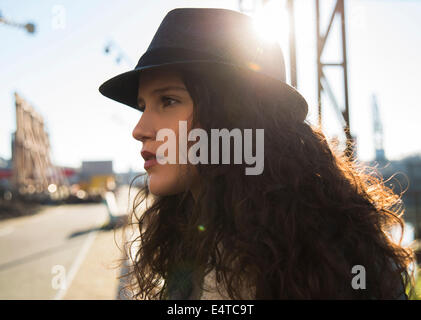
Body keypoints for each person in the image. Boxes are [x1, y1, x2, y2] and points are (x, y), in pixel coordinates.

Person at [99, 8, 415, 300]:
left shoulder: (327, 261)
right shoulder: (190, 239)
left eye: (168, 101)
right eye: (143, 107)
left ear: (236, 116)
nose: (139, 128)